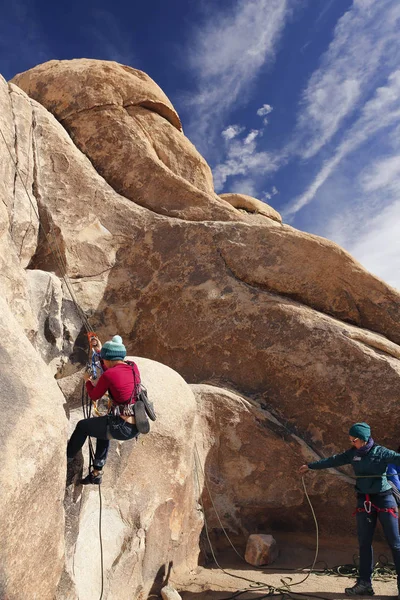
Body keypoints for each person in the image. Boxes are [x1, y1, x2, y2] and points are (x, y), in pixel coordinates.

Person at [299, 422, 400, 598]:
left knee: (396, 543)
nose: (352, 443)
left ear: (364, 439)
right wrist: (310, 467)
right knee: (364, 543)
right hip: (364, 501)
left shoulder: (382, 452)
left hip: (384, 499)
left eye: (354, 440)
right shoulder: (353, 454)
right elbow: (333, 460)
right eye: (351, 440)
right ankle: (364, 584)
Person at [67, 335, 140, 484]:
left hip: (121, 426)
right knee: (102, 430)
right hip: (137, 424)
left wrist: (87, 381)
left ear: (109, 358)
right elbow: (114, 369)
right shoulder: (133, 367)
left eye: (104, 358)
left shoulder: (109, 375)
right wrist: (100, 352)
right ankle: (96, 473)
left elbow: (94, 395)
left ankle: (66, 458)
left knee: (82, 426)